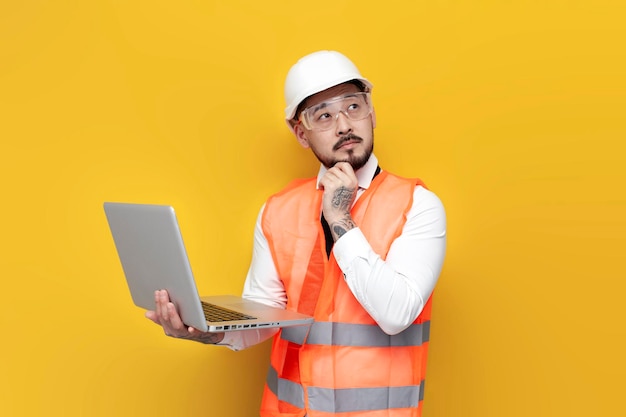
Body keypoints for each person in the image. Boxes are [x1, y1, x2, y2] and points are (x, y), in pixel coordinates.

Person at [146, 50, 447, 417]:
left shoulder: (418, 205)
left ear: (372, 112)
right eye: (323, 115)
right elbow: (262, 319)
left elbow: (396, 314)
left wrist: (339, 217)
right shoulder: (278, 210)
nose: (343, 125)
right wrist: (202, 330)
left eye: (353, 107)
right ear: (300, 133)